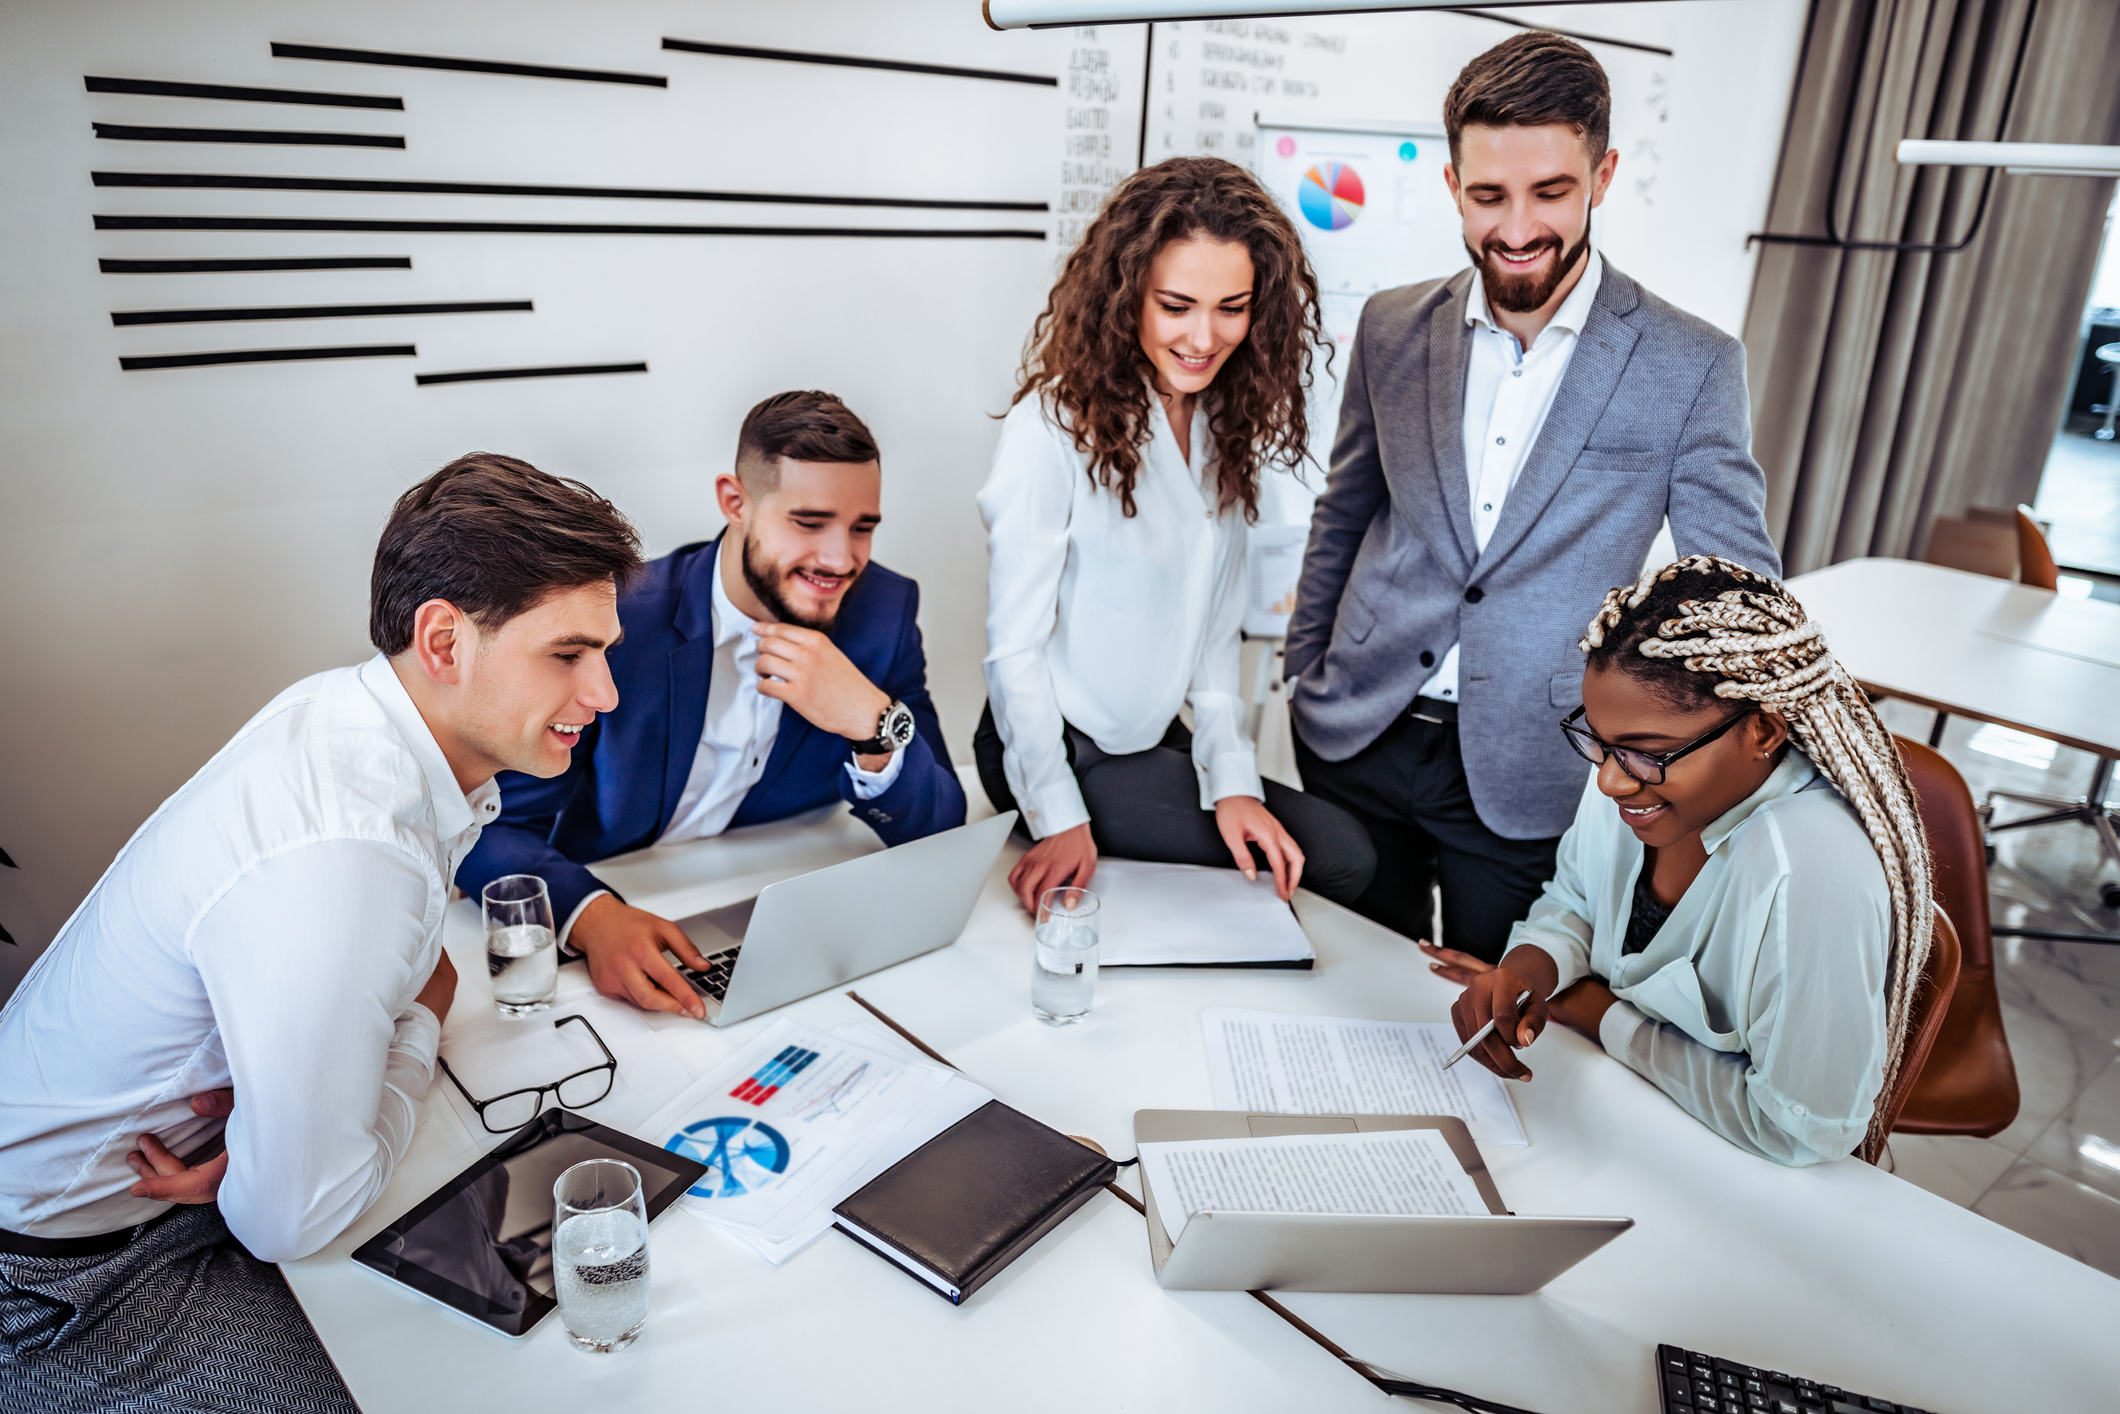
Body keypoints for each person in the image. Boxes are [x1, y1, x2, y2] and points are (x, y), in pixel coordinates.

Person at [0, 454, 644, 1411]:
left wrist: (293, 1130)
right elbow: (290, 1219)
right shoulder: (348, 848)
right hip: (67, 1281)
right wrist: (417, 1028)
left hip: (172, 1179)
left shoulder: (349, 716)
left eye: (605, 653)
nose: (606, 693)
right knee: (457, 1385)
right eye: (567, 655)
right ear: (443, 640)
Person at [1284, 32, 1781, 962]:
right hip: (1356, 731)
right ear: (1452, 186)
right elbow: (1346, 509)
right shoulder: (1391, 325)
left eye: (1550, 192)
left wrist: (1680, 763)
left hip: (1537, 767)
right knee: (1347, 984)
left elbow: (1736, 593)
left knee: (1493, 1015)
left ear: (1602, 176)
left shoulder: (1693, 363)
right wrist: (1302, 662)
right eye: (1489, 196)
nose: (1516, 228)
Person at [459, 391, 965, 1017]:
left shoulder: (884, 614)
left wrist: (872, 723)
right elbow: (488, 824)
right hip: (616, 904)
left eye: (863, 528)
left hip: (784, 913)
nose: (841, 559)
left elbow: (942, 827)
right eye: (809, 523)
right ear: (735, 501)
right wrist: (592, 917)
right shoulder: (618, 618)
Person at [1426, 557, 1933, 1166]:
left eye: (1645, 752)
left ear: (1763, 731)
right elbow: (1576, 900)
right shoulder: (1636, 779)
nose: (1609, 780)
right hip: (1614, 1125)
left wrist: (1597, 1014)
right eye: (1599, 742)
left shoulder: (1808, 869)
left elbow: (1801, 1129)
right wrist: (1533, 966)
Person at [976, 155, 1376, 915]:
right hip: (1051, 742)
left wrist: (1234, 783)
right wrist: (1057, 816)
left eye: (1232, 308)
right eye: (1176, 305)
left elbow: (1215, 640)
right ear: (1125, 294)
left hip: (1149, 736)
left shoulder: (1223, 425)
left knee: (1333, 854)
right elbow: (1013, 650)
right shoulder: (1050, 429)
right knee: (1342, 859)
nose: (1204, 336)